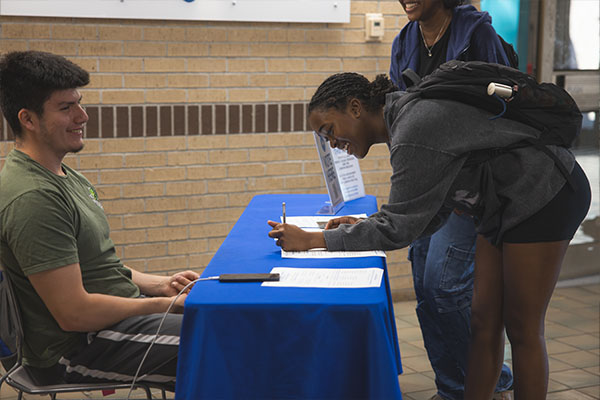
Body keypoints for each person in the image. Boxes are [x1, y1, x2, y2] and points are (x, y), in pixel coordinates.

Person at [267, 72, 591, 399]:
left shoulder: (413, 127)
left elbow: (400, 227)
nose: (333, 144)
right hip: (501, 204)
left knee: (522, 327)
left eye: (329, 131)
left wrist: (312, 240)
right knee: (483, 324)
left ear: (355, 108)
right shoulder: (404, 125)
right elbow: (426, 214)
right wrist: (354, 229)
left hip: (545, 192)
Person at [0, 50, 200, 390]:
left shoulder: (64, 176)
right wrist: (164, 305)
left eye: (79, 103)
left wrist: (159, 284)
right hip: (80, 348)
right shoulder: (33, 197)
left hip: (111, 327)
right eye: (66, 108)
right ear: (28, 119)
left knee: (230, 329)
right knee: (226, 345)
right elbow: (73, 313)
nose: (82, 116)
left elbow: (94, 265)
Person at [389, 1, 516, 398]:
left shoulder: (475, 32)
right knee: (426, 294)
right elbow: (398, 111)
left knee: (443, 289)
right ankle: (454, 386)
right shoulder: (404, 39)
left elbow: (502, 105)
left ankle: (482, 380)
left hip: (470, 184)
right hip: (428, 184)